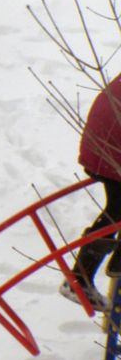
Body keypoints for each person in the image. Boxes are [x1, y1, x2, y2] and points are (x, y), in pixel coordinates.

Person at [60, 74, 121, 311]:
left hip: (102, 146)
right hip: (113, 149)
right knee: (117, 209)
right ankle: (80, 278)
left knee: (116, 209)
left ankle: (83, 276)